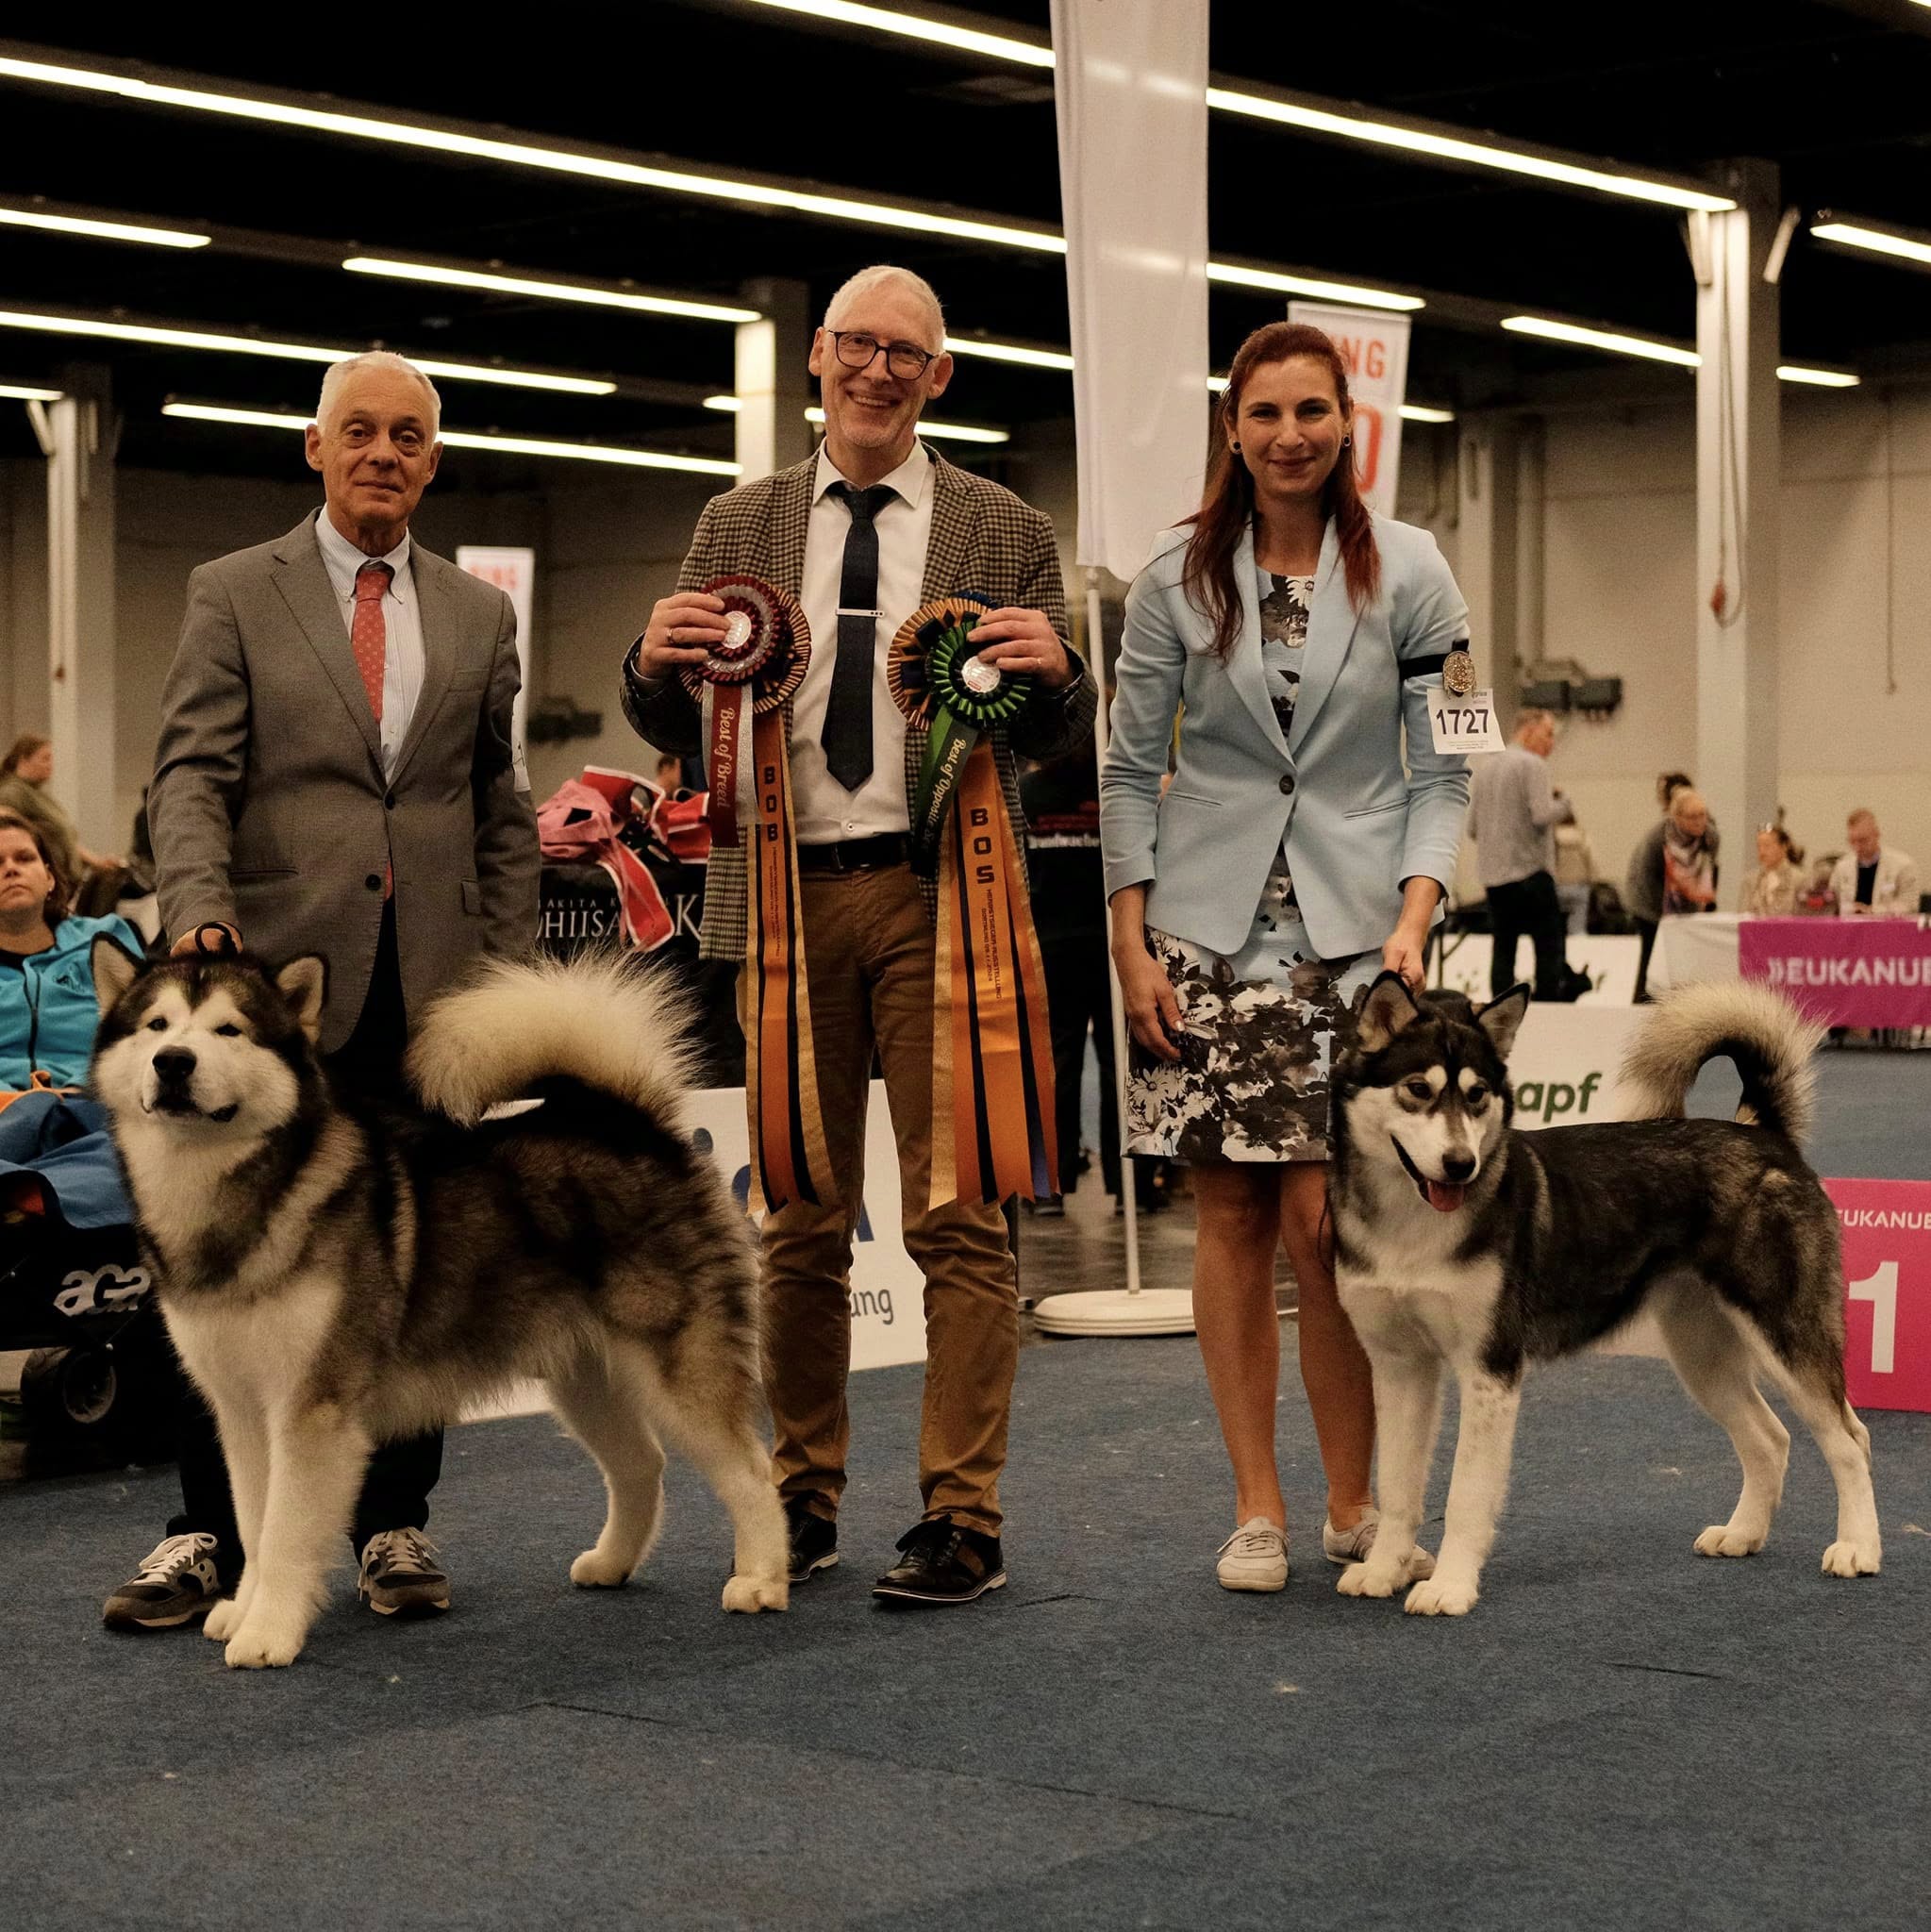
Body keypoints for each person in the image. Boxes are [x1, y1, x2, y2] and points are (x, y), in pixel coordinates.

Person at [623, 264, 1094, 1607]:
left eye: (905, 353)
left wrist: (1064, 676)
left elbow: (1057, 735)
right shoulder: (736, 520)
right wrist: (649, 663)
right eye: (856, 346)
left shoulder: (1006, 529)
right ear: (817, 358)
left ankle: (961, 1515)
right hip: (781, 903)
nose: (876, 370)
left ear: (938, 377)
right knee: (798, 1218)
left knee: (961, 1219)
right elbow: (673, 724)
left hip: (949, 896)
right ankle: (802, 1491)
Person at [104, 350, 541, 1635]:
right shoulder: (233, 589)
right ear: (316, 447)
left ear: (433, 461)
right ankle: (206, 1531)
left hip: (432, 992)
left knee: (408, 1266)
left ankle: (394, 1520)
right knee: (223, 1261)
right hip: (269, 999)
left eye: (407, 435)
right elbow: (189, 773)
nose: (382, 453)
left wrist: (505, 974)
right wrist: (198, 917)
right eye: (359, 431)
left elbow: (498, 804)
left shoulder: (480, 615)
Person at [1100, 321, 1471, 1594]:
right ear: (1232, 428)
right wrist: (1129, 942)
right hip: (1201, 936)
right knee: (1230, 1217)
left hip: (1358, 947)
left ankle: (1352, 1500)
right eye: (1263, 413)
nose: (1289, 435)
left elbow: (1445, 768)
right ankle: (1254, 1506)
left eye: (1312, 411)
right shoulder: (1172, 577)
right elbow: (1125, 770)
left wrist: (1414, 918)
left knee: (1327, 1227)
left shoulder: (1415, 568)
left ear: (1345, 424)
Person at [0, 810, 143, 1092]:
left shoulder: (104, 938)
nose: (11, 869)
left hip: (95, 1098)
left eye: (25, 858)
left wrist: (83, 1088)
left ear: (49, 878)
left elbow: (142, 1030)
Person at [1467, 707, 1573, 999]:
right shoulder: (1533, 764)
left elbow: (1473, 828)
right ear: (1529, 730)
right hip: (1532, 875)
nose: (1552, 742)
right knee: (1548, 946)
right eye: (1548, 734)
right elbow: (1541, 814)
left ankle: (1499, 1010)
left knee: (1503, 948)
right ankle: (1550, 1010)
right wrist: (1564, 802)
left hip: (1495, 878)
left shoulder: (1486, 767)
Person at [0, 734, 125, 915]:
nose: (50, 765)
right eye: (45, 758)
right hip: (43, 884)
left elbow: (64, 839)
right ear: (23, 760)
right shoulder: (12, 794)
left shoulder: (35, 794)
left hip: (63, 878)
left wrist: (96, 862)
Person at [1627, 783, 1721, 1001]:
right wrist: (1663, 917)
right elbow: (1646, 878)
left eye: (1702, 815)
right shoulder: (1657, 839)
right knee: (1651, 955)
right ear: (1677, 817)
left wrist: (1701, 905)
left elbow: (1709, 871)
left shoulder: (1710, 837)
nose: (1700, 821)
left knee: (1687, 956)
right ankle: (1642, 1002)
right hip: (1649, 904)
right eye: (1692, 817)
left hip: (1688, 903)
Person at [1829, 809, 1919, 917]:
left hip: (1888, 926)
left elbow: (1910, 905)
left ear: (1877, 834)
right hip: (1849, 926)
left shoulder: (1903, 866)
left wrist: (1871, 910)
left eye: (1863, 840)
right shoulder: (1842, 867)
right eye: (1852, 841)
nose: (1857, 847)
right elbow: (1831, 905)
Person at [1740, 824, 1806, 916]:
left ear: (1784, 847)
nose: (1762, 851)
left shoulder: (1799, 880)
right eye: (1759, 846)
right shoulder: (1750, 880)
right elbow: (1743, 915)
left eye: (1767, 846)